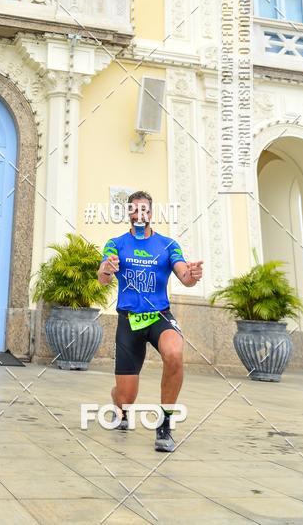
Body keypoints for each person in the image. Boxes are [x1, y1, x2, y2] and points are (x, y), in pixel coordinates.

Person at [97, 190, 203, 452]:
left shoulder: (168, 245)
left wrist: (192, 275)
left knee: (175, 353)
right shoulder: (116, 243)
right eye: (134, 210)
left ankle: (165, 424)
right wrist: (106, 269)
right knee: (125, 396)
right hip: (129, 322)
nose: (138, 214)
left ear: (151, 214)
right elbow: (103, 277)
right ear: (129, 214)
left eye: (143, 210)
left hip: (159, 316)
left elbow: (184, 277)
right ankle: (119, 405)